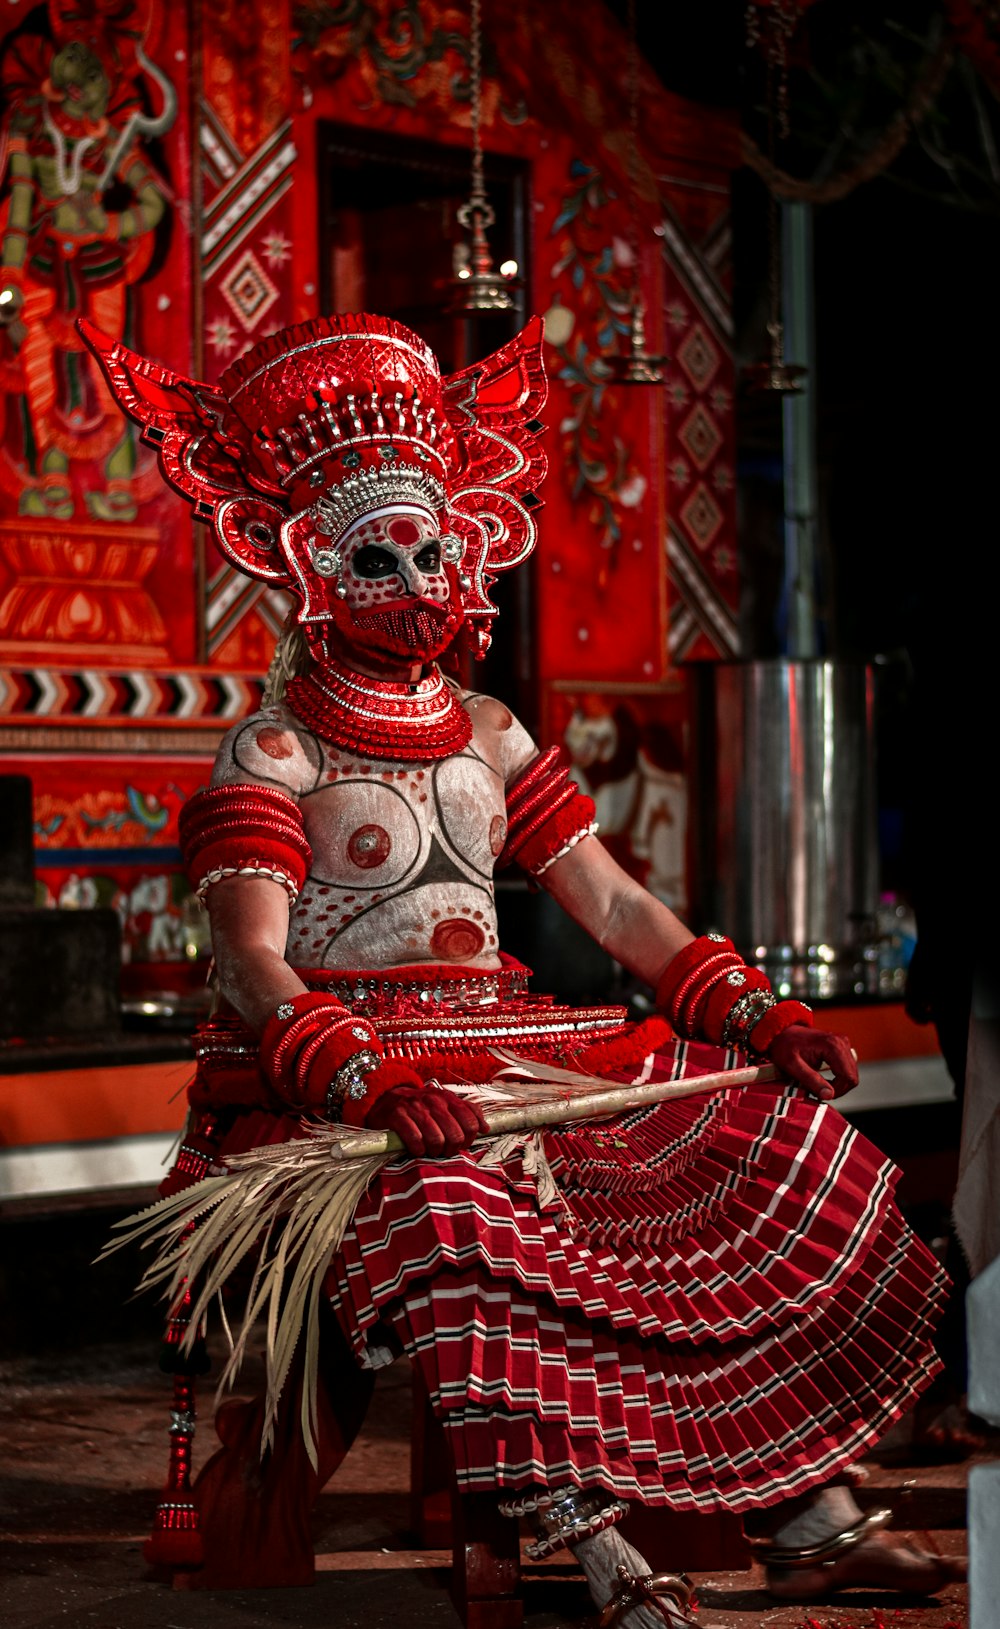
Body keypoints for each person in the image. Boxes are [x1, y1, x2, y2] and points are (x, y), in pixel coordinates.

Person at [83, 310, 963, 1627]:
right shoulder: (273, 754)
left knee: (756, 1140)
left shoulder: (491, 731)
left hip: (512, 1056)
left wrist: (754, 1008)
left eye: (437, 549)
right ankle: (590, 1537)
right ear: (309, 567)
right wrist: (364, 1077)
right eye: (382, 556)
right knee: (461, 1213)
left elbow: (609, 901)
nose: (422, 580)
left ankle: (804, 1509)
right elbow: (253, 961)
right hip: (344, 1085)